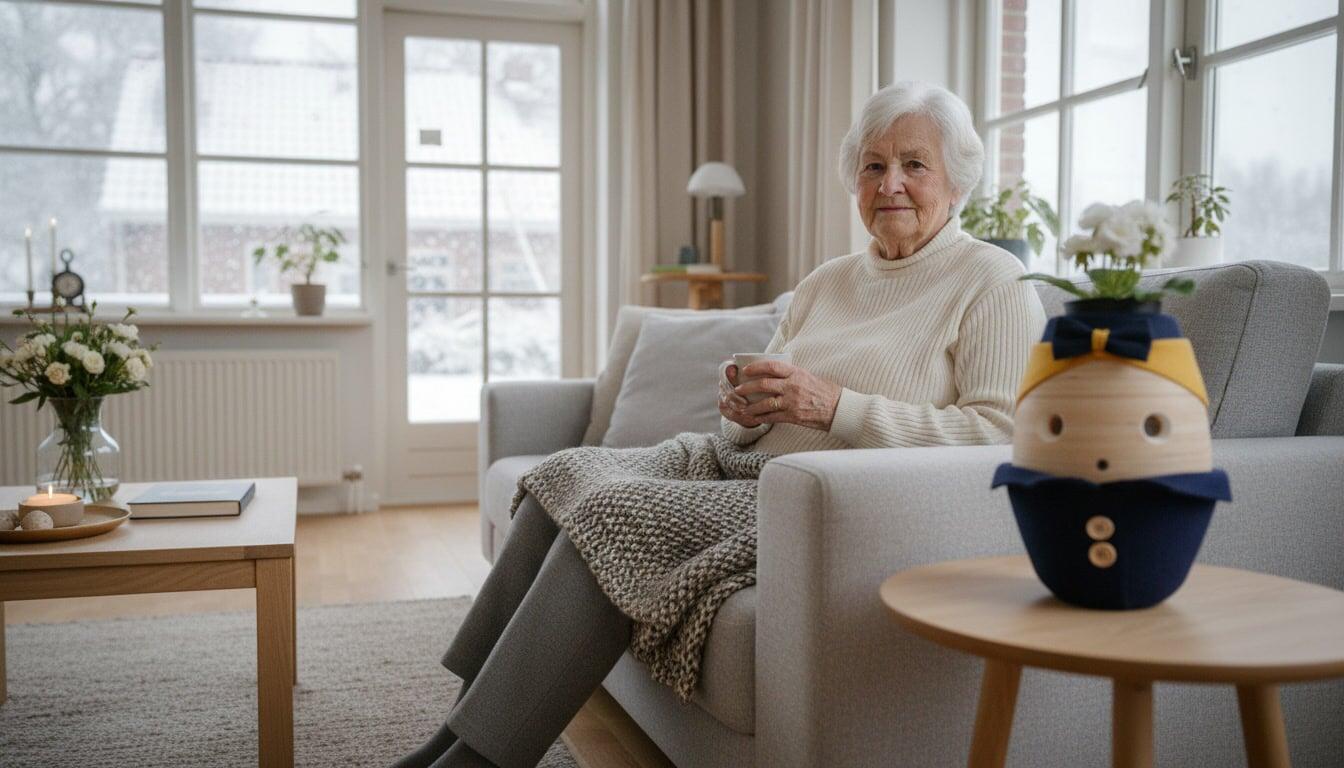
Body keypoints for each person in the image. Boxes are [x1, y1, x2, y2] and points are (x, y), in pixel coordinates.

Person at [393, 81, 1045, 768]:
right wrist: (743, 412)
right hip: (733, 461)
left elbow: (999, 436)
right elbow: (767, 404)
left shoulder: (993, 282)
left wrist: (836, 408)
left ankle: (480, 762)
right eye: (873, 165)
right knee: (565, 474)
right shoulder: (829, 280)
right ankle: (453, 733)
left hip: (813, 498)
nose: (891, 184)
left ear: (957, 179)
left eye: (914, 164)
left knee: (615, 510)